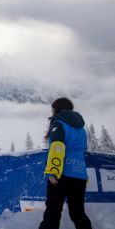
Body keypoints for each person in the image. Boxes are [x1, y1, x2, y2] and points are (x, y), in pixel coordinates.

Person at [39, 97, 92, 229]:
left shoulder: (59, 123)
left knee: (53, 212)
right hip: (80, 174)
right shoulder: (81, 128)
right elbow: (83, 149)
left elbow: (57, 146)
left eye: (52, 109)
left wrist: (52, 171)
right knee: (78, 213)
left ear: (57, 109)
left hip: (62, 173)